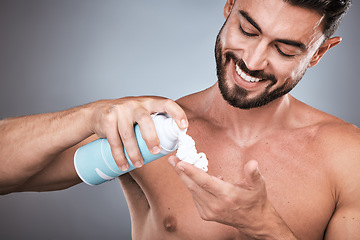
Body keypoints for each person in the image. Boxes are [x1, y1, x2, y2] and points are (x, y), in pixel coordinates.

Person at [0, 0, 359, 239]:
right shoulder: (150, 129)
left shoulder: (347, 157)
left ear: (318, 53)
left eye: (284, 49)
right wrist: (86, 115)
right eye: (248, 30)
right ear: (230, 6)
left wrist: (265, 227)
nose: (252, 60)